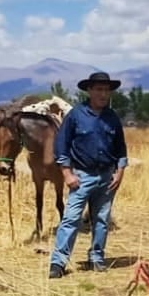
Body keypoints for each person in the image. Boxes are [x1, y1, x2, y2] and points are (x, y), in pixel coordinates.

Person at [48, 72, 128, 278]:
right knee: (71, 218)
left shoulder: (112, 118)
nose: (103, 94)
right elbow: (61, 147)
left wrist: (119, 173)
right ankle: (58, 263)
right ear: (89, 91)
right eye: (99, 89)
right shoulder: (75, 115)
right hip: (81, 176)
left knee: (101, 219)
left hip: (107, 177)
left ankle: (97, 258)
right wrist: (67, 174)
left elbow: (121, 149)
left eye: (106, 90)